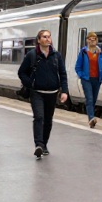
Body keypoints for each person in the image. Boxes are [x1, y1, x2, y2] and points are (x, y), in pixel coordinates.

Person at [18, 30, 68, 159]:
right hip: (37, 93)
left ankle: (44, 144)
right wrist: (30, 84)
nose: (47, 39)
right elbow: (21, 72)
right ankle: (38, 145)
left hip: (52, 93)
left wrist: (64, 91)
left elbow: (62, 74)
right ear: (39, 40)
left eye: (49, 36)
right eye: (44, 37)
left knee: (48, 120)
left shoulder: (56, 55)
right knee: (39, 117)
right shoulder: (32, 55)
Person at [74, 32, 102, 129]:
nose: (92, 41)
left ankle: (91, 117)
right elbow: (77, 67)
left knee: (93, 99)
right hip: (86, 79)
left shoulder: (100, 53)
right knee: (89, 99)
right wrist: (82, 76)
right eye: (90, 39)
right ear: (87, 40)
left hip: (97, 79)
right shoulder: (83, 52)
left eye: (94, 39)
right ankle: (91, 118)